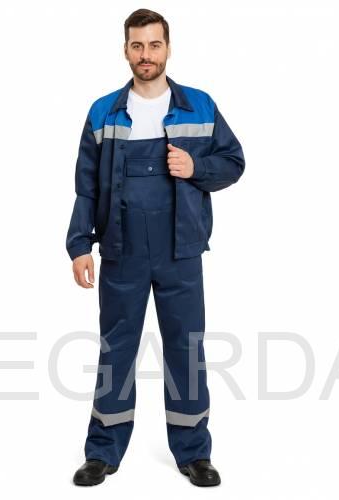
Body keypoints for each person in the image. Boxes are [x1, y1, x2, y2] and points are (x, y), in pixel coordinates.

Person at [66, 8, 245, 487]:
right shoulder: (103, 112)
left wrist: (196, 167)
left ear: (168, 48)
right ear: (126, 50)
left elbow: (233, 161)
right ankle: (102, 451)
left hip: (180, 249)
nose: (146, 54)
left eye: (154, 44)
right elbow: (86, 186)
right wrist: (80, 245)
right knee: (116, 350)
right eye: (137, 45)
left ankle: (194, 452)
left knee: (186, 349)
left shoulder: (200, 106)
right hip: (121, 249)